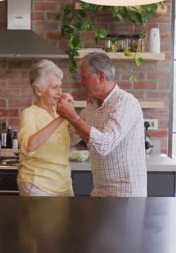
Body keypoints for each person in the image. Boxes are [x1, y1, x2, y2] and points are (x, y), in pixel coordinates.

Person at [57, 52, 147, 197]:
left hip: (125, 194)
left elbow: (105, 145)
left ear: (101, 76)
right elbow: (72, 137)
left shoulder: (125, 103)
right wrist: (61, 115)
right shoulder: (92, 105)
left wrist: (73, 116)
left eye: (84, 78)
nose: (82, 83)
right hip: (100, 191)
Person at [17, 59, 74, 196]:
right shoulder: (29, 114)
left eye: (60, 86)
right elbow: (29, 146)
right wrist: (62, 117)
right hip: (38, 185)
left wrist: (72, 114)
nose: (60, 92)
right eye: (55, 88)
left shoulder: (57, 111)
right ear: (38, 91)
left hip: (64, 184)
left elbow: (73, 140)